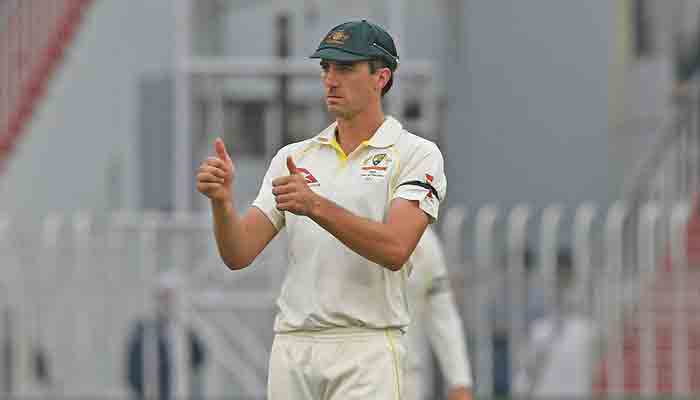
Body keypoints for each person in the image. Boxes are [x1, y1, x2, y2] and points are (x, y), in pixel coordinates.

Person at [196, 19, 447, 400]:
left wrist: (314, 204)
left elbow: (395, 248)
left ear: (381, 77)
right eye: (325, 68)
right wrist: (222, 202)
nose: (331, 79)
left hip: (367, 347)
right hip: (292, 347)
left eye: (345, 68)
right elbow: (238, 253)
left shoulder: (416, 154)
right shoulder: (294, 157)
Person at [405, 226, 473, 400]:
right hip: (342, 368)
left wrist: (459, 382)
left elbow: (442, 313)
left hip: (406, 375)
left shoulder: (425, 241)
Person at [126, 273, 207, 400]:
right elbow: (133, 372)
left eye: (173, 297)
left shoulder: (184, 329)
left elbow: (199, 358)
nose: (169, 302)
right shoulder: (145, 329)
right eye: (165, 297)